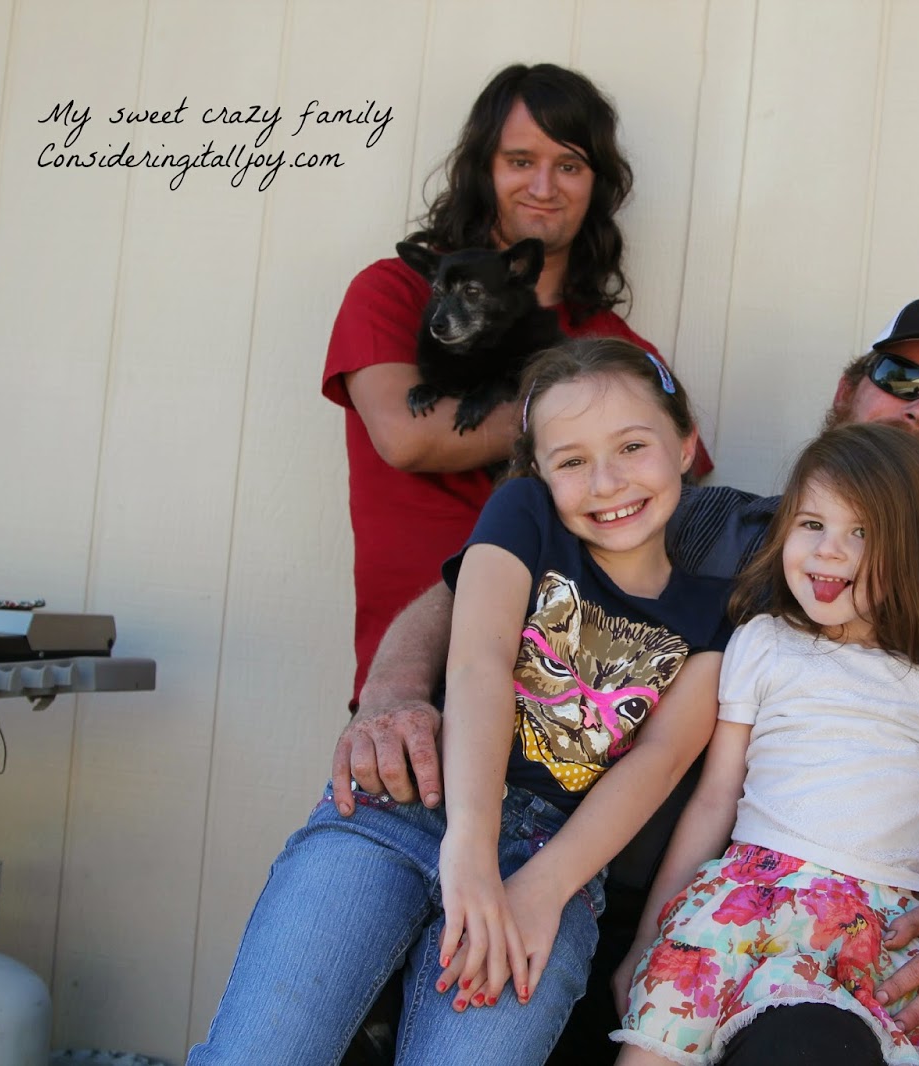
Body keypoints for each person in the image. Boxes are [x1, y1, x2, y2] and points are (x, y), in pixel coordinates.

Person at [339, 297, 919, 1065]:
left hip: (831, 938)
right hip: (614, 884)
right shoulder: (701, 520)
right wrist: (393, 693)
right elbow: (486, 583)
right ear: (848, 388)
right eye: (902, 378)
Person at [190, 339, 733, 1064]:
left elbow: (659, 761)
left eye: (633, 447)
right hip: (411, 807)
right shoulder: (524, 515)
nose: (607, 482)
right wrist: (470, 845)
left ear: (686, 444)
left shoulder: (713, 613)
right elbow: (479, 661)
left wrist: (545, 889)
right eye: (571, 460)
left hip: (554, 861)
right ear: (538, 471)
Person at [611, 424, 919, 1066]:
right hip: (744, 901)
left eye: (862, 532)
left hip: (879, 919)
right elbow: (716, 799)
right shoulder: (764, 643)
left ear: (913, 550)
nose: (829, 549)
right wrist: (647, 936)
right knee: (654, 1048)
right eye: (812, 524)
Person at [321, 62, 710, 709]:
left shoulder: (616, 344)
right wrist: (596, 429)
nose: (543, 186)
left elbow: (684, 499)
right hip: (418, 688)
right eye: (520, 160)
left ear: (597, 185)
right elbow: (409, 437)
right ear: (484, 170)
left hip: (584, 707)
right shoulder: (396, 290)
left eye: (570, 165)